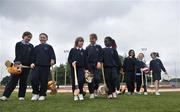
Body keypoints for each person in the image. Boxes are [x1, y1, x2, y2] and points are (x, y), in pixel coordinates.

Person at [0, 31, 34, 101]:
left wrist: (31, 63)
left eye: (30, 37)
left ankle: (21, 96)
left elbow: (31, 56)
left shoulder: (31, 46)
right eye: (27, 37)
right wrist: (18, 63)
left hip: (26, 67)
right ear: (23, 36)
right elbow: (18, 54)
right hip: (17, 65)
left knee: (23, 82)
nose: (29, 38)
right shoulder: (18, 44)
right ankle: (5, 96)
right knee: (13, 81)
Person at [30, 33, 56, 101]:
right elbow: (33, 57)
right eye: (41, 37)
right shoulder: (36, 47)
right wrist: (32, 63)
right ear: (39, 38)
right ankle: (35, 94)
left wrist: (52, 60)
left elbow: (52, 56)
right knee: (33, 79)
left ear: (46, 39)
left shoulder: (49, 47)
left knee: (44, 81)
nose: (42, 38)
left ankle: (42, 94)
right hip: (36, 66)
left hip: (45, 67)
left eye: (43, 37)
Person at [68, 37, 88, 101]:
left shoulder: (84, 51)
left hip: (81, 68)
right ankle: (75, 95)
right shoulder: (72, 50)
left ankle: (81, 94)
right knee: (74, 82)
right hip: (74, 68)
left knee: (81, 81)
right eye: (80, 41)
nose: (81, 42)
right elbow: (69, 59)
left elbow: (86, 61)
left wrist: (86, 69)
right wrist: (72, 62)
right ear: (77, 42)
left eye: (82, 41)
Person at [86, 33, 102, 99]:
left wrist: (99, 62)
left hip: (97, 65)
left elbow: (101, 55)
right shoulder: (87, 48)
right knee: (90, 80)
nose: (91, 40)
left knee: (97, 79)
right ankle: (91, 93)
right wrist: (86, 67)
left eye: (93, 38)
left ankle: (95, 90)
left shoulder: (99, 47)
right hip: (89, 66)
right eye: (90, 38)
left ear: (96, 39)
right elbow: (86, 58)